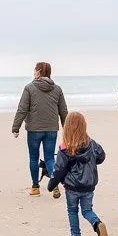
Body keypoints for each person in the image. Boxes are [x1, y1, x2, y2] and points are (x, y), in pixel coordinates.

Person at [47, 112, 108, 236]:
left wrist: (51, 185)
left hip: (72, 187)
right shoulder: (91, 144)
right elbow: (101, 156)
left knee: (72, 211)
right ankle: (97, 223)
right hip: (88, 185)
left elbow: (59, 170)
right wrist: (92, 161)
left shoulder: (65, 148)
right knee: (87, 210)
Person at [12, 61, 68, 198]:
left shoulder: (29, 88)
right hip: (51, 130)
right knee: (49, 158)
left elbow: (22, 109)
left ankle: (35, 187)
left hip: (34, 130)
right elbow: (63, 111)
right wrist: (67, 130)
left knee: (33, 157)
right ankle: (54, 184)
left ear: (37, 72)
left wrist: (16, 127)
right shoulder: (57, 89)